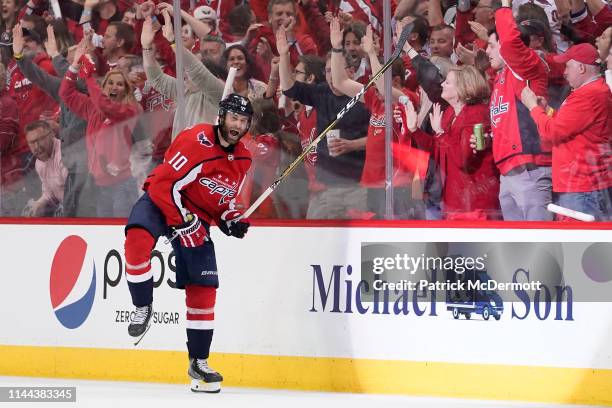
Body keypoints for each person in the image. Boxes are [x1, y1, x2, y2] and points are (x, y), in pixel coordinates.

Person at [124, 94, 253, 393]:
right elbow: (162, 185)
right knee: (137, 241)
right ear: (221, 116)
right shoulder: (195, 140)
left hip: (195, 216)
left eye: (244, 121)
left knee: (204, 288)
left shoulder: (244, 158)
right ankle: (142, 305)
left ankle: (199, 362)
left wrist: (230, 218)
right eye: (234, 118)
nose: (237, 125)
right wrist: (182, 223)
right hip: (162, 201)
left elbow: (223, 200)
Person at [521, 43, 612, 221]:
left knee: (580, 245)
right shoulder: (593, 92)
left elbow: (553, 132)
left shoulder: (589, 95)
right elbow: (569, 127)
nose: (564, 72)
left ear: (581, 67)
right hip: (583, 186)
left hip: (583, 188)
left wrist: (533, 108)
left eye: (567, 66)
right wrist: (546, 111)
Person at [483, 1, 552, 221]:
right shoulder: (500, 77)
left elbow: (511, 45)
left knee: (540, 244)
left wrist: (504, 7)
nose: (487, 51)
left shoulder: (529, 64)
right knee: (517, 247)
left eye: (492, 45)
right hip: (508, 172)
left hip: (530, 168)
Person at [402, 66, 501, 219]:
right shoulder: (449, 113)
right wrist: (414, 129)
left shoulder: (476, 114)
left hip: (476, 202)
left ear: (463, 88)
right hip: (455, 200)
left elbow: (463, 160)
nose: (442, 85)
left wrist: (441, 133)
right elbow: (437, 149)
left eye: (447, 83)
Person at [23, 120, 68, 217]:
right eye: (32, 142)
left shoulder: (64, 155)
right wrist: (39, 203)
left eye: (41, 139)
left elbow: (74, 194)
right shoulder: (39, 162)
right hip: (63, 206)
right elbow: (48, 192)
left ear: (52, 134)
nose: (37, 146)